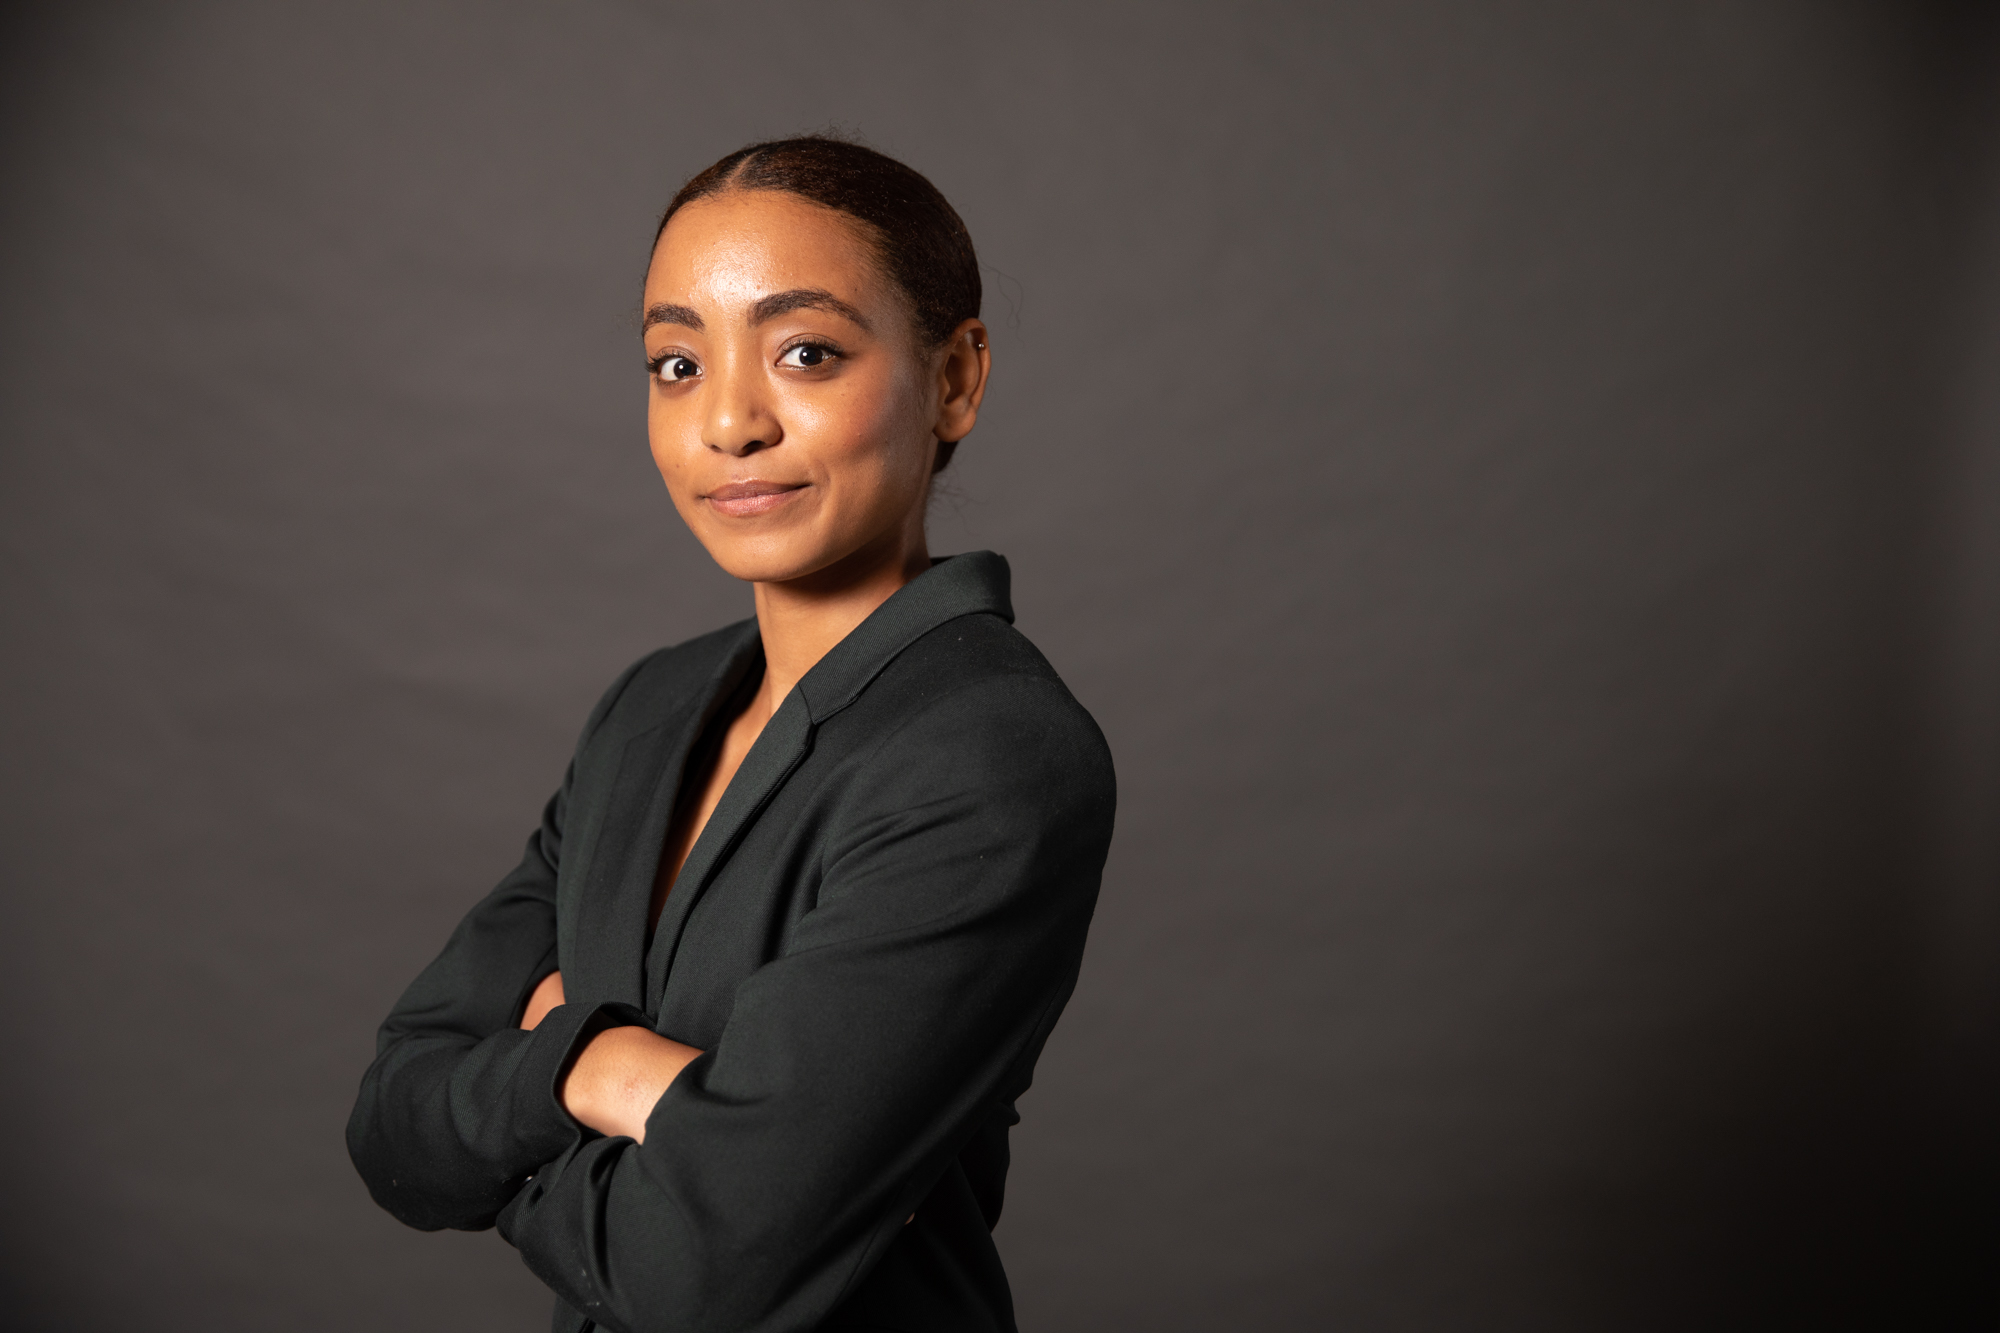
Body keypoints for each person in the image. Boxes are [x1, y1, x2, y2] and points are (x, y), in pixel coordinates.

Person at [345, 136, 1117, 1333]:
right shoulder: (649, 712)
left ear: (955, 379)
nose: (727, 422)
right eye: (675, 364)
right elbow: (394, 1126)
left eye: (805, 352)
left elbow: (701, 1274)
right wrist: (605, 1074)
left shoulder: (989, 752)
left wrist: (534, 1087)